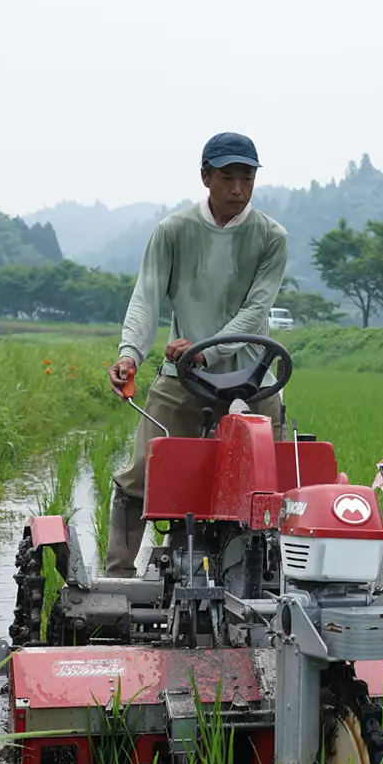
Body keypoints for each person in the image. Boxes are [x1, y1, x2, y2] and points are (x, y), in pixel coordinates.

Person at [104, 131, 289, 575]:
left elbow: (255, 310)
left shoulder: (271, 237)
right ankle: (118, 578)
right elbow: (146, 298)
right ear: (205, 177)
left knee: (280, 475)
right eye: (227, 177)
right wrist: (130, 354)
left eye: (247, 178)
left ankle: (280, 574)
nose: (238, 189)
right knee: (146, 469)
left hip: (253, 373)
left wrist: (211, 349)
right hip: (184, 374)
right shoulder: (174, 231)